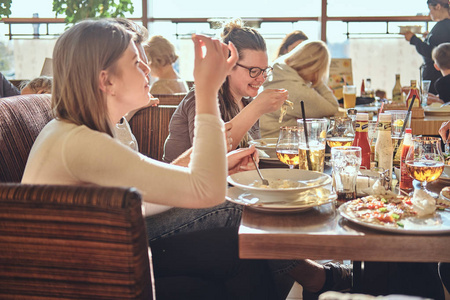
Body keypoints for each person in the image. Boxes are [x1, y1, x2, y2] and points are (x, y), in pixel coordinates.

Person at [21, 18, 283, 299]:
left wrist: (215, 165)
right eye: (136, 62)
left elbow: (139, 200)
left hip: (104, 256)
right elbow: (207, 191)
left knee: (234, 253)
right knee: (231, 215)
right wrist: (206, 89)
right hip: (87, 279)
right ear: (106, 80)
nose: (148, 69)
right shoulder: (81, 141)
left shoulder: (79, 130)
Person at [163, 18, 289, 163]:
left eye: (264, 70)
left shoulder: (246, 102)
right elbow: (207, 157)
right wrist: (257, 108)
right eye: (253, 70)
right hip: (182, 182)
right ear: (228, 65)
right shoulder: (201, 98)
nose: (261, 78)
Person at [260, 40, 339, 138]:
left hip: (263, 142)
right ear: (315, 67)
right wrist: (318, 81)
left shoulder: (278, 71)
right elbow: (332, 107)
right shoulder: (298, 91)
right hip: (277, 146)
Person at [402, 0, 450, 94]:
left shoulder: (443, 27)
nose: (429, 13)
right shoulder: (443, 26)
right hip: (435, 75)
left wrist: (413, 39)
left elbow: (435, 53)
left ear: (438, 7)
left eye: (430, 9)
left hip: (435, 77)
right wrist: (427, 38)